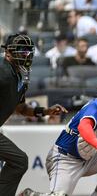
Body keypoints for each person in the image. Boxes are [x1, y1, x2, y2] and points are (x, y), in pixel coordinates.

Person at [0, 33, 68, 196]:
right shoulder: (2, 72)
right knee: (19, 161)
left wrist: (45, 111)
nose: (26, 55)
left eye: (28, 51)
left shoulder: (20, 77)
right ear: (8, 53)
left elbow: (21, 108)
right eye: (21, 51)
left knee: (19, 161)